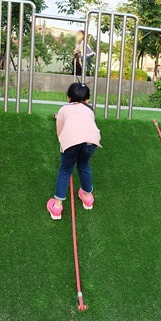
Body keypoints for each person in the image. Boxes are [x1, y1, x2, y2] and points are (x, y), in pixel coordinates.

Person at [46, 83, 101, 220]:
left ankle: (57, 207)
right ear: (87, 100)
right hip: (92, 140)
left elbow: (60, 130)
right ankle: (88, 198)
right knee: (84, 165)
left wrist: (63, 144)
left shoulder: (64, 109)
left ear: (68, 97)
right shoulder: (90, 111)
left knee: (65, 169)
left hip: (71, 140)